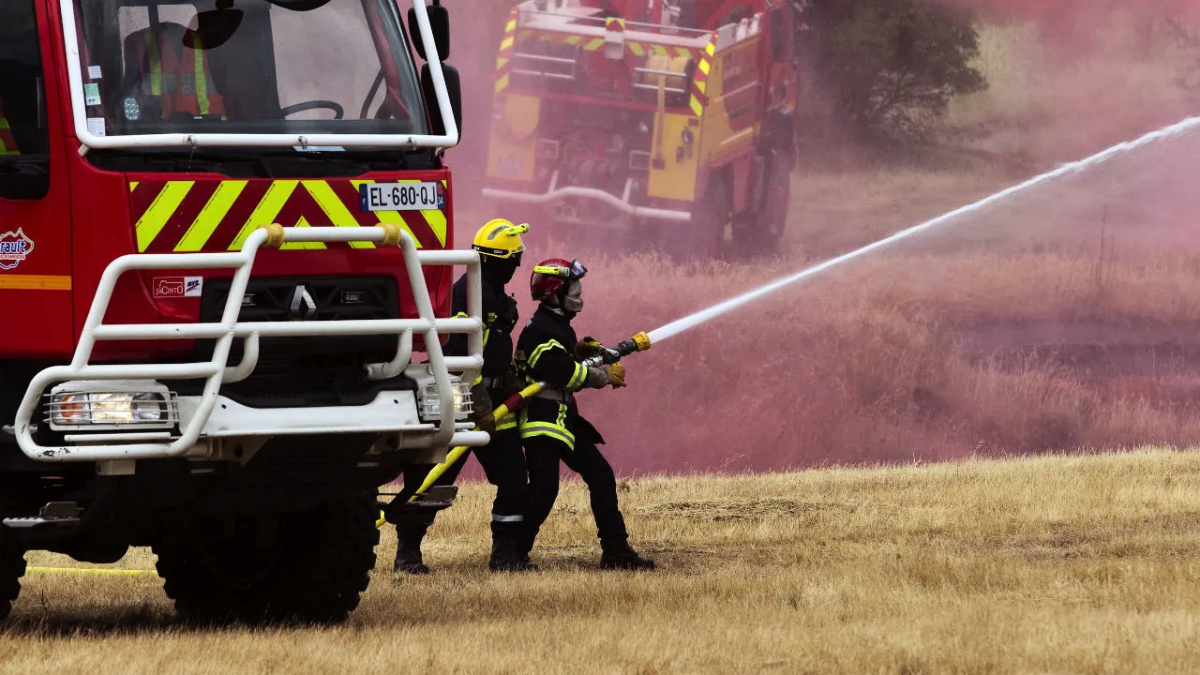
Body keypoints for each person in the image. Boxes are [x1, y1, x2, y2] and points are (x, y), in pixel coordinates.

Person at [390, 219, 536, 574]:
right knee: (433, 478)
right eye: (514, 259)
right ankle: (408, 554)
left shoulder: (492, 292)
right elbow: (455, 355)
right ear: (500, 261)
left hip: (495, 405)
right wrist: (481, 400)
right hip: (460, 401)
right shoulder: (467, 294)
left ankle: (505, 555)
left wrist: (511, 380)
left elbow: (493, 347)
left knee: (515, 479)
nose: (517, 266)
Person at [515, 258, 655, 570]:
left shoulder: (556, 326)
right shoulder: (541, 329)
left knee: (600, 475)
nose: (579, 295)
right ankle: (513, 554)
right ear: (553, 294)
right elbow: (560, 372)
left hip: (562, 417)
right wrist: (601, 376)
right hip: (542, 421)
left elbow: (562, 361)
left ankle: (616, 551)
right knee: (544, 489)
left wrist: (581, 351)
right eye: (573, 289)